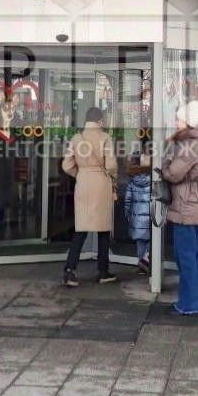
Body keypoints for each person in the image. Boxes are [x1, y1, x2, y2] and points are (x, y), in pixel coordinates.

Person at [161, 100, 198, 315]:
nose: (176, 122)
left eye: (179, 119)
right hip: (194, 203)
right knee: (193, 255)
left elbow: (173, 173)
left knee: (185, 257)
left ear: (188, 122)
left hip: (186, 205)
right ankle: (194, 301)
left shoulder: (189, 145)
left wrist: (165, 162)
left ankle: (189, 304)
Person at [61, 106, 118, 287]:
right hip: (101, 183)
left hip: (83, 183)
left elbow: (66, 165)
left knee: (81, 228)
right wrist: (113, 176)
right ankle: (103, 271)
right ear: (100, 121)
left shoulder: (76, 138)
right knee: (103, 229)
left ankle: (70, 270)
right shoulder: (105, 137)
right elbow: (111, 165)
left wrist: (80, 174)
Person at [124, 142, 153, 274]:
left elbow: (127, 200)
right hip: (150, 217)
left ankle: (142, 264)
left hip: (136, 218)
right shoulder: (153, 182)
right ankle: (147, 262)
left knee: (140, 241)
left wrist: (127, 214)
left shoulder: (132, 182)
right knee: (151, 240)